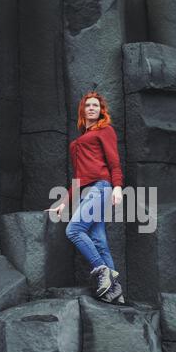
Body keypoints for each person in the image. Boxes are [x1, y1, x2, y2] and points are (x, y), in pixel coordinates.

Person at [47, 92, 125, 305]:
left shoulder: (105, 130)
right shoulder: (79, 141)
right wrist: (62, 203)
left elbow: (114, 163)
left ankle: (102, 272)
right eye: (88, 105)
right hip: (86, 192)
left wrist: (117, 188)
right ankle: (115, 292)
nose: (92, 108)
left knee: (74, 230)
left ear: (101, 110)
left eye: (96, 105)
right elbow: (78, 178)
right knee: (99, 240)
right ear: (83, 110)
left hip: (100, 188)